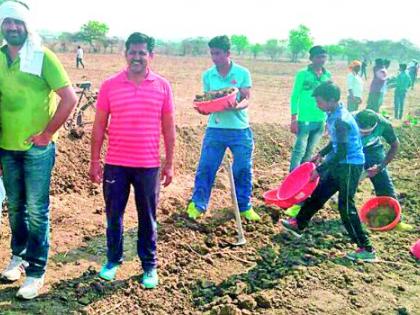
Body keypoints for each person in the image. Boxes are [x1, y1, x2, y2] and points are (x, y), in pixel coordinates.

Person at [0, 1, 77, 299]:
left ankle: (36, 271)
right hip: (6, 148)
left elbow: (68, 98)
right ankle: (18, 257)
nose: (12, 27)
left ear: (27, 26)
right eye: (7, 23)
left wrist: (47, 133)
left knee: (36, 211)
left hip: (36, 150)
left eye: (17, 23)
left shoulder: (43, 57)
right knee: (15, 209)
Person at [89, 32, 175, 288]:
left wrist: (169, 163)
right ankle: (113, 261)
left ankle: (149, 266)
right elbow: (98, 127)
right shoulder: (109, 86)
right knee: (114, 216)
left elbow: (169, 128)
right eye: (132, 52)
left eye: (142, 52)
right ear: (125, 54)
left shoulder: (162, 86)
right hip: (116, 164)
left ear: (151, 56)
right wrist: (95, 161)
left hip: (148, 166)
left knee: (147, 217)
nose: (137, 57)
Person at [281, 82, 376, 262]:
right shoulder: (332, 114)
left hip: (349, 165)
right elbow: (335, 143)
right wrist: (320, 154)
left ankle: (366, 248)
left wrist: (320, 169)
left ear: (332, 100)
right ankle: (299, 224)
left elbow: (342, 151)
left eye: (320, 101)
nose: (318, 104)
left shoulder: (341, 120)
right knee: (319, 193)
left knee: (346, 207)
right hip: (340, 162)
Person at [186, 35, 260, 222]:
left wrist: (236, 106)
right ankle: (198, 204)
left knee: (243, 168)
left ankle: (244, 207)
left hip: (240, 129)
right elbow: (209, 100)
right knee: (206, 167)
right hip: (216, 129)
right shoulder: (208, 75)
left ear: (228, 53)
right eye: (212, 53)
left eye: (218, 53)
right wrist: (203, 110)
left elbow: (246, 99)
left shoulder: (242, 73)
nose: (214, 57)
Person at [285, 45, 331, 217]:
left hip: (320, 120)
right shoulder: (302, 75)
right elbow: (294, 96)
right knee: (299, 150)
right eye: (318, 57)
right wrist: (293, 118)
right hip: (304, 119)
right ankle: (290, 182)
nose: (321, 60)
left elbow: (329, 99)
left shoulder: (327, 76)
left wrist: (327, 120)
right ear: (311, 58)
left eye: (324, 57)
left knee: (310, 153)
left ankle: (303, 181)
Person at [355, 109, 412, 231]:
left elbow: (395, 145)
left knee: (383, 181)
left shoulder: (384, 124)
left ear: (375, 126)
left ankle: (395, 220)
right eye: (361, 132)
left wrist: (380, 166)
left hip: (372, 149)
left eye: (367, 132)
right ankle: (306, 204)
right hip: (350, 149)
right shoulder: (347, 122)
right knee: (332, 178)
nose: (364, 134)